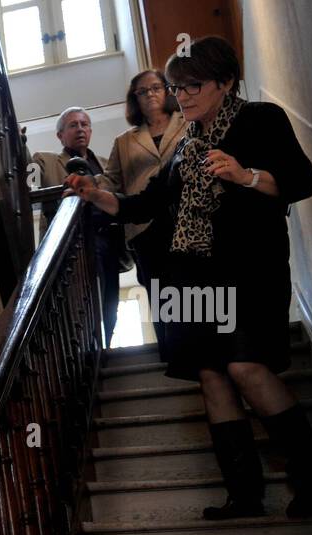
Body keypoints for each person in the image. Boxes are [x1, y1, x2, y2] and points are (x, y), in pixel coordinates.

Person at [65, 37, 312, 519]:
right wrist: (95, 196)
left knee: (246, 367)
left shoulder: (260, 119)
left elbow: (303, 181)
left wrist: (245, 175)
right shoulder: (188, 146)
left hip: (251, 269)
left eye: (193, 86)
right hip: (189, 275)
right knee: (210, 374)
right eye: (175, 87)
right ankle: (244, 496)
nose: (181, 96)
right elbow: (146, 206)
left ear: (225, 82)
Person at [100, 69, 189, 346]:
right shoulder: (124, 141)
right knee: (159, 288)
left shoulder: (188, 122)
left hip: (188, 218)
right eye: (142, 91)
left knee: (193, 284)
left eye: (156, 87)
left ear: (167, 91)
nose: (150, 94)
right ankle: (170, 348)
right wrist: (87, 187)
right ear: (134, 99)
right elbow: (111, 180)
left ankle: (205, 347)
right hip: (144, 225)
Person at [34, 107, 128, 346]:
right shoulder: (46, 161)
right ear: (60, 135)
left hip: (110, 242)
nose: (80, 129)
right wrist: (19, 143)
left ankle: (105, 347)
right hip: (74, 246)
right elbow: (28, 178)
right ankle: (87, 348)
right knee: (82, 302)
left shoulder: (108, 164)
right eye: (73, 125)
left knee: (110, 302)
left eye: (84, 124)